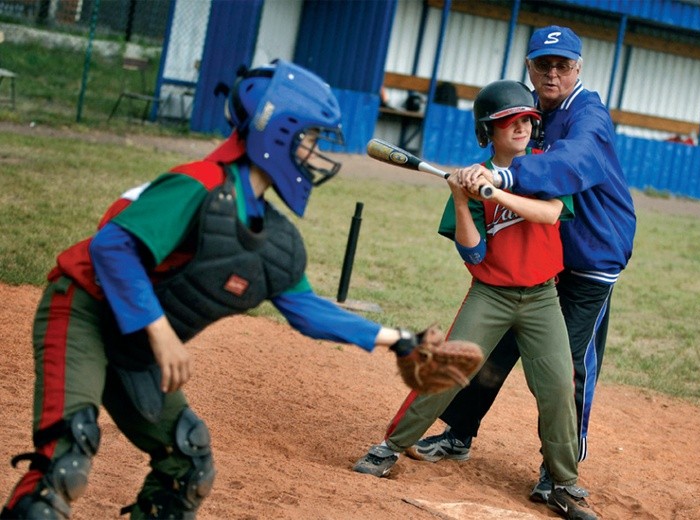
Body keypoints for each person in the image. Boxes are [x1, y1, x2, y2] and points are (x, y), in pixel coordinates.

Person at [0, 59, 441, 520]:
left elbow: (307, 309)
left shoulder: (271, 237)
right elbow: (112, 246)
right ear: (278, 131)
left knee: (187, 466)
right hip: (83, 315)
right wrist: (162, 334)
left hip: (136, 349)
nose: (314, 154)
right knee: (66, 462)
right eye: (308, 139)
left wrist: (400, 340)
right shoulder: (199, 183)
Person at [359, 24, 636, 514]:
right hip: (511, 278)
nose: (552, 73)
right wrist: (465, 193)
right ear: (528, 66)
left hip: (591, 254)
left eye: (563, 65)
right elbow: (472, 250)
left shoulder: (585, 115)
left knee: (563, 373)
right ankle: (450, 434)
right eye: (542, 64)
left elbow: (567, 172)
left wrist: (498, 182)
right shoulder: (530, 110)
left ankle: (559, 477)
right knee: (480, 356)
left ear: (579, 68)